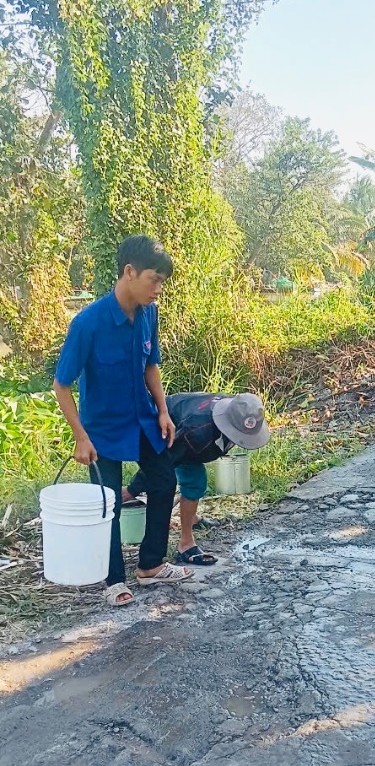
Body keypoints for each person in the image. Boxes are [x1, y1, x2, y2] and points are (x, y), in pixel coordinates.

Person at [53, 235, 194, 606]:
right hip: (102, 429)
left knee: (164, 481)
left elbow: (152, 364)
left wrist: (163, 411)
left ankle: (150, 565)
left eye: (163, 281)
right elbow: (61, 385)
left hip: (144, 419)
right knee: (109, 503)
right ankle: (112, 579)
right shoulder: (88, 323)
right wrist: (80, 437)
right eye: (154, 279)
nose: (158, 289)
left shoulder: (149, 313)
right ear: (129, 272)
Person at [124, 392, 271, 566]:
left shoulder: (240, 409)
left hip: (184, 425)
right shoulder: (195, 433)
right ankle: (185, 544)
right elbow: (163, 465)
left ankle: (191, 517)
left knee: (194, 480)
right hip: (161, 429)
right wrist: (132, 490)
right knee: (194, 482)